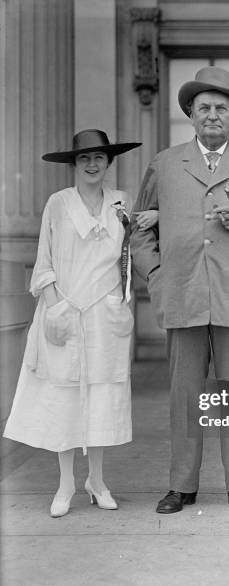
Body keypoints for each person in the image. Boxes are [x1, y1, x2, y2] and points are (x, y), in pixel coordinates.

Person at [131, 66, 229, 515]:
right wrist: (157, 275)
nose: (213, 115)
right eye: (204, 107)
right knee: (184, 393)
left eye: (222, 107)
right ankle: (181, 485)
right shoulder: (164, 164)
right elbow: (141, 230)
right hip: (181, 292)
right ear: (190, 113)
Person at [3, 129, 141, 517]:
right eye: (84, 159)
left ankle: (96, 481)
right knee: (63, 398)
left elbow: (131, 252)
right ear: (74, 164)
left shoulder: (121, 202)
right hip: (63, 309)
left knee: (100, 397)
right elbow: (44, 261)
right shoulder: (58, 203)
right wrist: (55, 307)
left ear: (109, 162)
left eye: (99, 157)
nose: (92, 164)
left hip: (104, 313)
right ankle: (65, 484)